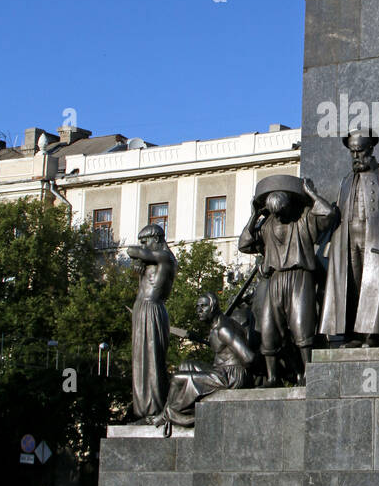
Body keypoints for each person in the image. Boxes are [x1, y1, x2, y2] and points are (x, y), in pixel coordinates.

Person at [238, 175, 337, 385]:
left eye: (282, 213)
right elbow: (244, 244)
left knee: (302, 327)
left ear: (289, 207)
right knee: (268, 330)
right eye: (275, 214)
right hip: (275, 280)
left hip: (300, 277)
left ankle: (309, 373)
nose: (279, 218)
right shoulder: (266, 226)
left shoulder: (303, 218)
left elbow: (327, 213)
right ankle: (273, 377)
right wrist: (254, 215)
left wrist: (310, 193)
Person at [320, 131, 379, 346]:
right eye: (352, 152)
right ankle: (354, 334)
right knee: (353, 283)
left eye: (359, 151)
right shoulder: (347, 180)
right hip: (348, 238)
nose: (355, 156)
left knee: (374, 283)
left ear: (370, 149)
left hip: (375, 239)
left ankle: (373, 333)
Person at [158, 292, 256, 429]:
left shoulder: (224, 329)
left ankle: (166, 415)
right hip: (221, 371)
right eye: (197, 306)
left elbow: (249, 357)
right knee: (186, 365)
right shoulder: (217, 326)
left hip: (232, 376)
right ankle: (175, 412)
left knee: (177, 378)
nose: (199, 310)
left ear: (213, 307)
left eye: (203, 306)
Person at [127, 223, 177, 420]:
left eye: (146, 241)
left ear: (156, 239)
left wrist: (140, 256)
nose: (144, 246)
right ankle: (144, 409)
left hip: (151, 308)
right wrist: (141, 262)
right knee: (142, 361)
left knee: (151, 360)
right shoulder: (155, 259)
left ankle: (152, 409)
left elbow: (131, 251)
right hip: (145, 309)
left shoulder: (164, 257)